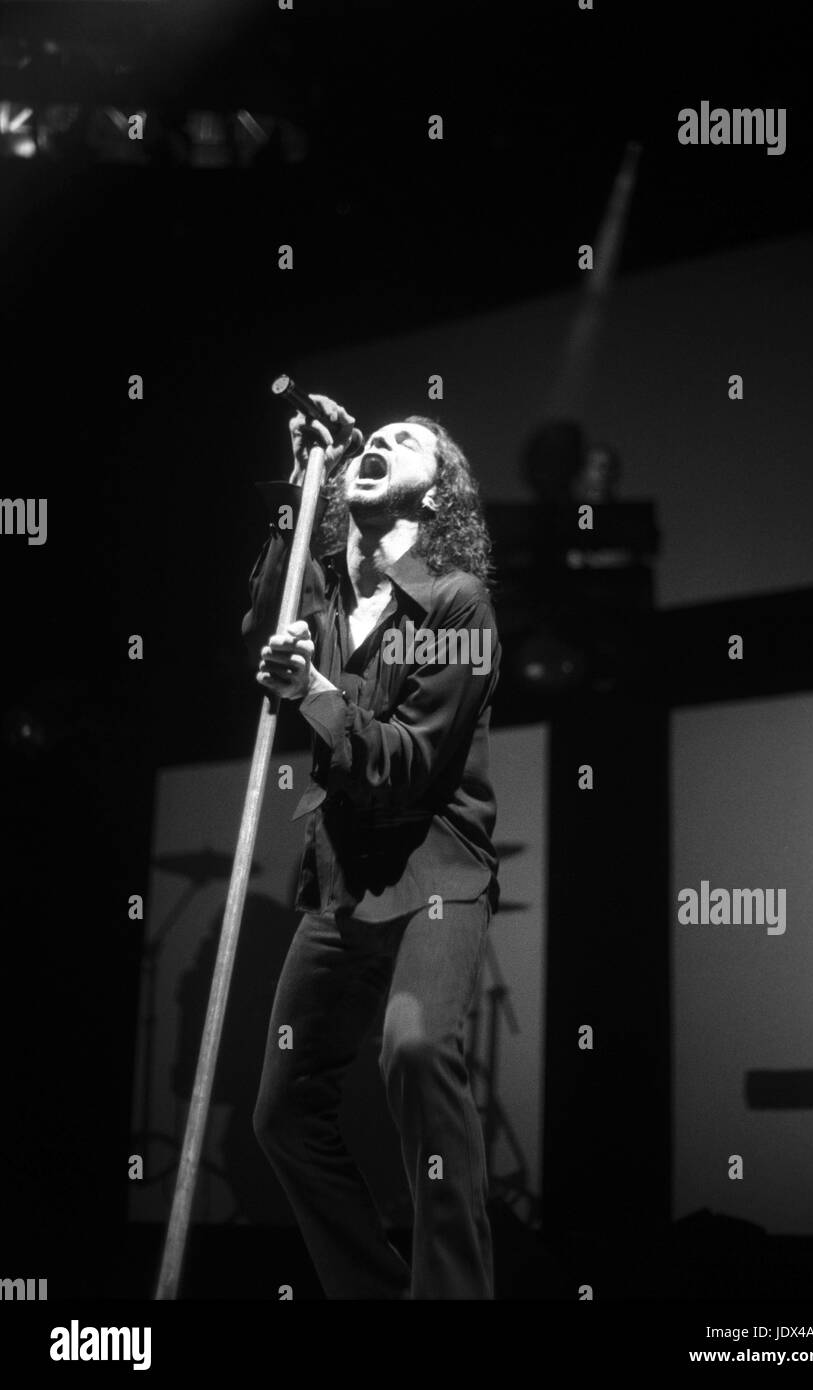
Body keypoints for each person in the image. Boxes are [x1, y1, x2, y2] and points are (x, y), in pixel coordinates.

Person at [244, 395, 502, 1299]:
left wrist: (315, 691)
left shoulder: (461, 606)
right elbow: (258, 628)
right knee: (280, 1114)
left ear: (436, 499)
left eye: (407, 442)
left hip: (434, 873)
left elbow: (409, 764)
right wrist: (305, 482)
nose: (382, 442)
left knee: (417, 1050)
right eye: (375, 437)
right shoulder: (326, 590)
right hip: (344, 882)